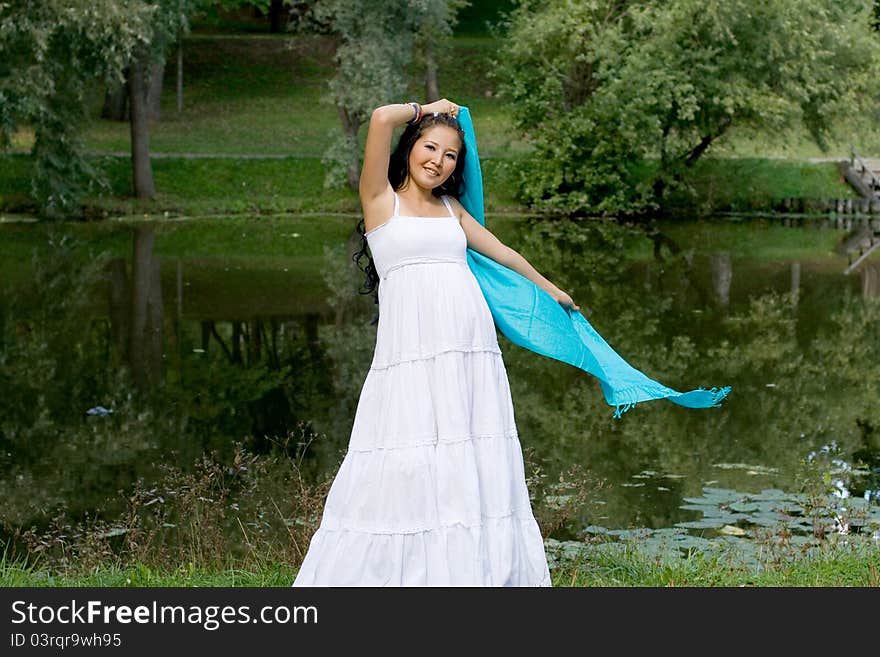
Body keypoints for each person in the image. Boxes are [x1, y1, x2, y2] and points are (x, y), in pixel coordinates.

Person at [292, 99, 579, 587]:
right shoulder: (380, 199)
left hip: (470, 351)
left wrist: (549, 289)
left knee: (470, 449)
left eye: (450, 155)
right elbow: (381, 118)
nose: (438, 161)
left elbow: (503, 251)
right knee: (407, 452)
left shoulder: (452, 209)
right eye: (430, 147)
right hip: (411, 355)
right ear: (411, 149)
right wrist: (426, 108)